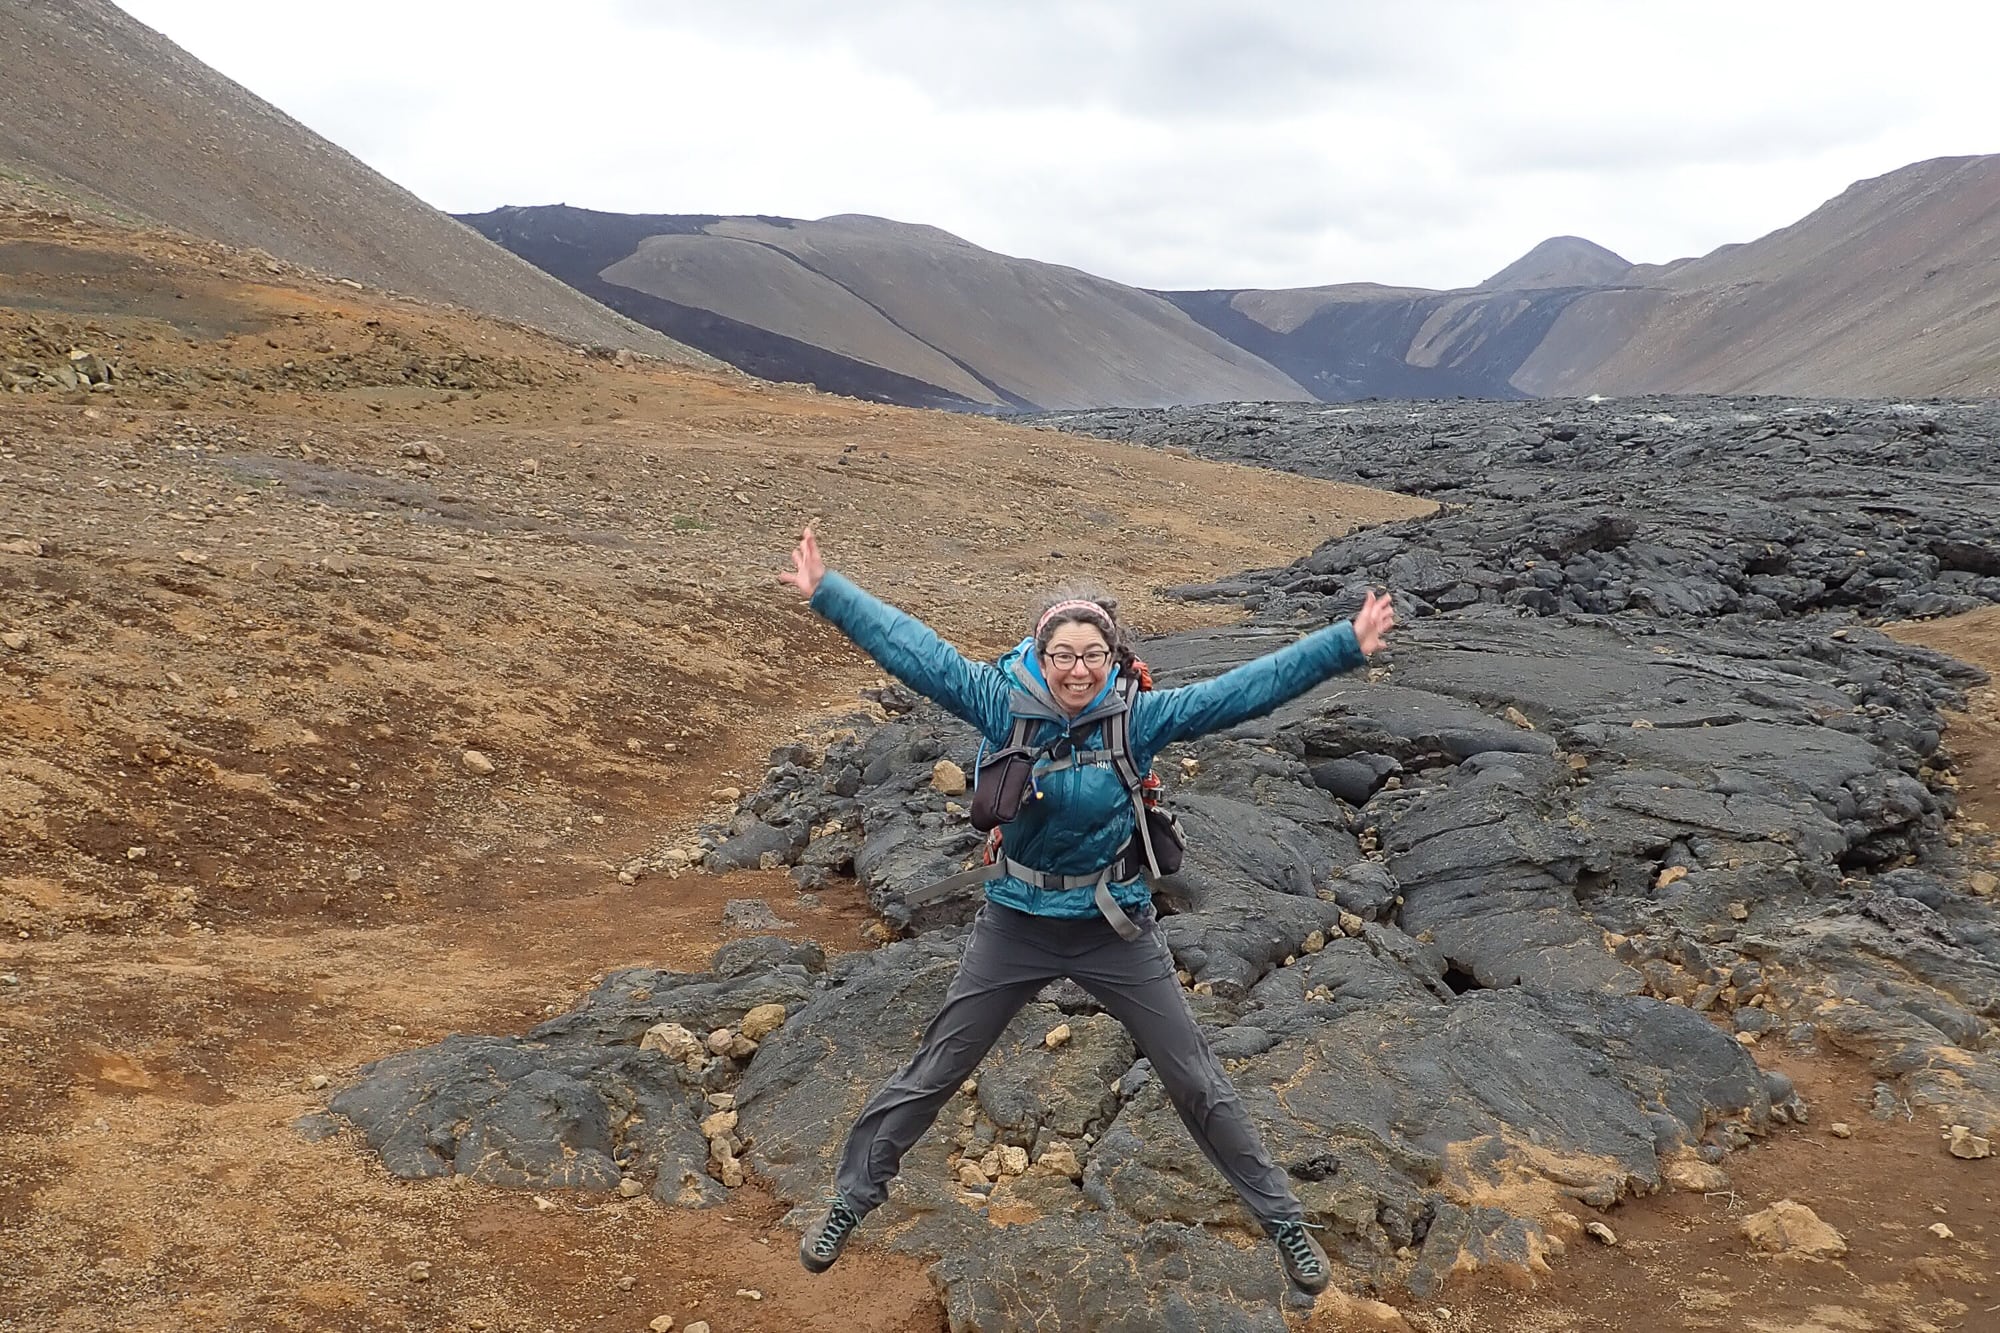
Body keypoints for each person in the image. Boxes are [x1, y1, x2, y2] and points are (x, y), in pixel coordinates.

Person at [778, 527, 1396, 1294]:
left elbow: (1241, 690)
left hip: (1117, 929)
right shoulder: (1000, 702)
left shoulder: (1138, 718)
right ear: (1040, 655)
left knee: (1195, 1077)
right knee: (938, 1066)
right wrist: (829, 591)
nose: (1077, 669)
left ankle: (1285, 1224)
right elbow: (916, 648)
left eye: (1092, 655)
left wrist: (1344, 642)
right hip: (1014, 923)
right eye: (1062, 654)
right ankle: (851, 1199)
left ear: (1112, 657)